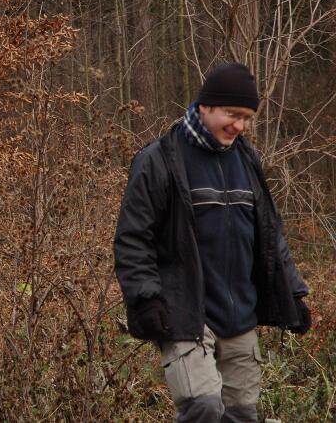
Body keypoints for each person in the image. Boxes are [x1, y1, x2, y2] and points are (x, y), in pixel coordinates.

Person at [113, 62, 311, 422]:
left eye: (246, 118)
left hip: (240, 316)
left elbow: (269, 233)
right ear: (204, 106)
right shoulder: (160, 159)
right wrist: (145, 298)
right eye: (232, 114)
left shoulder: (247, 160)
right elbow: (133, 238)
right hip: (185, 313)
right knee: (202, 407)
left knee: (242, 415)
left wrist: (293, 292)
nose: (239, 125)